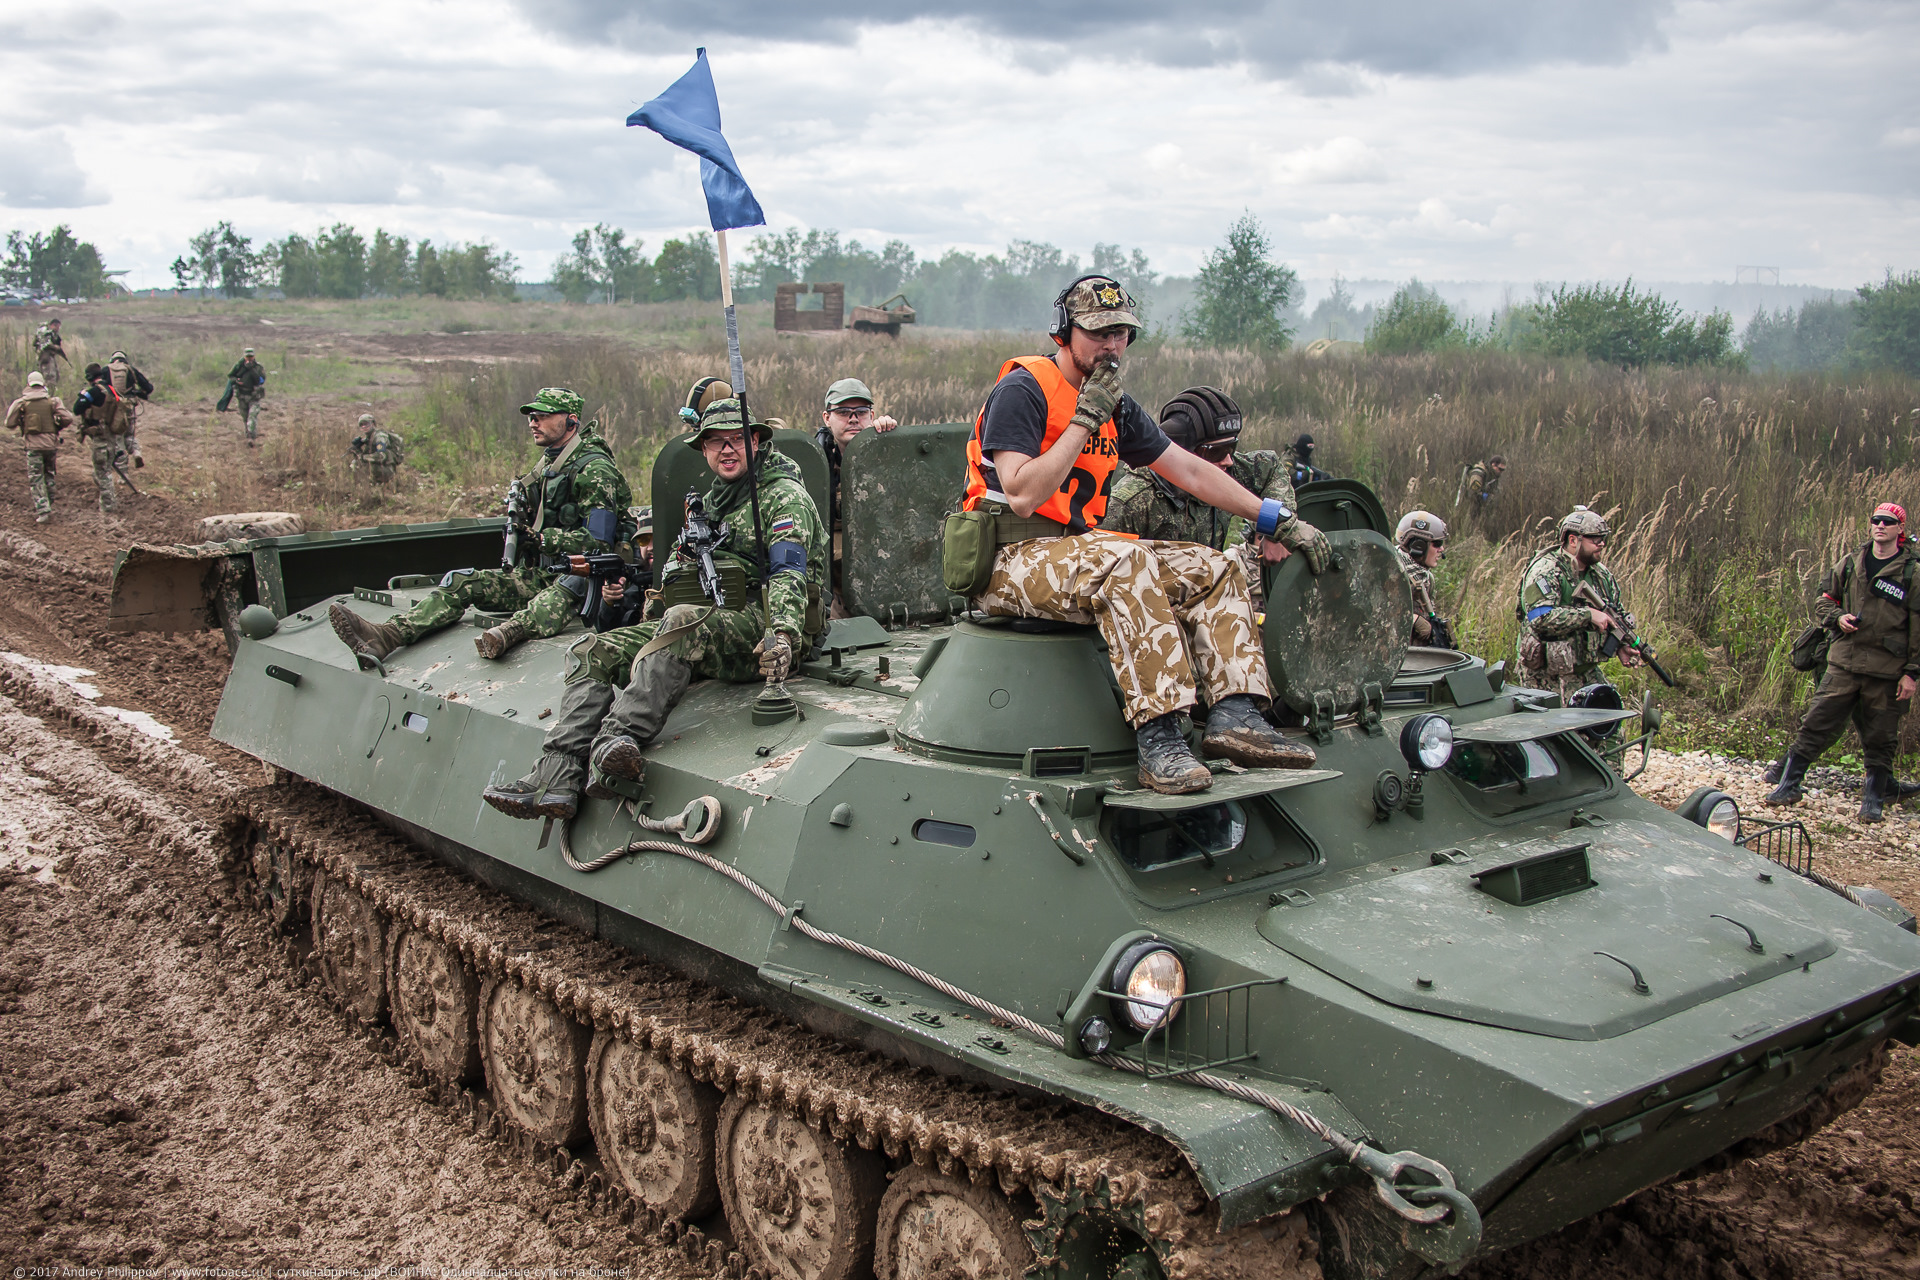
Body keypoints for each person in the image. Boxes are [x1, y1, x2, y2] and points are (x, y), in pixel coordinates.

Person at [960, 275, 1331, 795]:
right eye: (1098, 332)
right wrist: (1084, 421)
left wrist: (1275, 518)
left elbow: (1191, 472)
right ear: (1064, 332)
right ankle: (1160, 739)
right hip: (1008, 558)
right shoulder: (1024, 390)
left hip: (1074, 552)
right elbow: (1021, 492)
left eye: (1122, 333)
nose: (1112, 345)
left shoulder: (1116, 403)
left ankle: (1237, 715)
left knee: (1212, 567)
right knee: (1124, 560)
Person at [482, 399, 828, 820]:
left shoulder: (781, 498)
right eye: (716, 443)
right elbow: (675, 570)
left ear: (756, 441)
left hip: (765, 626)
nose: (727, 450)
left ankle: (615, 742)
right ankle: (557, 774)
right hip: (706, 620)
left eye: (737, 439)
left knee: (681, 622)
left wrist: (787, 636)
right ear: (703, 451)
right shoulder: (713, 503)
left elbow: (788, 573)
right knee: (591, 650)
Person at [329, 387, 634, 662]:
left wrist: (542, 540)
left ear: (570, 421)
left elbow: (598, 544)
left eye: (543, 416)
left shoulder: (594, 470)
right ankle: (387, 636)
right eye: (531, 416)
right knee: (461, 582)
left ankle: (511, 631)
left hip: (581, 579)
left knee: (562, 590)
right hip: (542, 572)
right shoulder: (550, 464)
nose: (533, 422)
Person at [1764, 503, 1920, 823]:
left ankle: (1874, 799)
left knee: (1880, 736)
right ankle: (1788, 785)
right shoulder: (1851, 562)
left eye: (1888, 522)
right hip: (1844, 662)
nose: (1880, 526)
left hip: (1886, 670)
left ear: (1899, 529)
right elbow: (1823, 600)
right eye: (1876, 520)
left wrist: (1911, 674)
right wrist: (1838, 617)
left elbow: (1918, 627)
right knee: (1816, 723)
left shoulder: (1911, 572)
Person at [1098, 387, 1294, 551]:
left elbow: (1271, 467)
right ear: (1182, 451)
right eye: (1216, 451)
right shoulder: (1130, 503)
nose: (1228, 460)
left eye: (1231, 448)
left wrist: (1273, 533)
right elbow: (1094, 564)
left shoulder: (1228, 471)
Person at [1514, 505, 1642, 702]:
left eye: (1604, 539)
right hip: (1546, 677)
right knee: (1559, 732)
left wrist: (1619, 646)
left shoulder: (1601, 574)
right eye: (1595, 539)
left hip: (1585, 672)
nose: (1602, 544)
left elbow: (1614, 612)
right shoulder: (1545, 571)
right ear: (1573, 540)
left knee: (1608, 728)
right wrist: (1588, 615)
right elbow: (1539, 618)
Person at [814, 376, 899, 611]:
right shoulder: (814, 465)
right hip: (833, 586)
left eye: (861, 411)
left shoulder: (888, 455)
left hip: (880, 577)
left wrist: (888, 440)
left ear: (871, 416)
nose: (853, 419)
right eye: (842, 412)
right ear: (827, 418)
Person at [5, 371, 75, 525]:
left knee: (36, 478)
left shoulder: (21, 403)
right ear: (43, 384)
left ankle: (43, 510)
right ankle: (48, 502)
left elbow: (9, 423)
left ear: (29, 384)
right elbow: (68, 418)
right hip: (50, 444)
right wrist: (58, 426)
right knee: (49, 474)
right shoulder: (53, 402)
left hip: (33, 446)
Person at [71, 363, 133, 515]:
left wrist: (83, 395)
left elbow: (77, 409)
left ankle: (109, 508)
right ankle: (108, 504)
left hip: (100, 438)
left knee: (103, 474)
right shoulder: (112, 390)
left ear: (89, 377)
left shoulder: (94, 392)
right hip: (111, 437)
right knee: (103, 471)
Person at [1395, 511, 1454, 648]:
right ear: (1418, 546)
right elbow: (1374, 615)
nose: (1441, 549)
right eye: (1437, 544)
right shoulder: (1392, 572)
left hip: (1416, 655)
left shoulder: (1425, 578)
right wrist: (1412, 620)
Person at [105, 351, 152, 466]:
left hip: (113, 409)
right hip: (129, 406)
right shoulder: (131, 370)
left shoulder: (105, 370)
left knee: (117, 437)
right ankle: (136, 452)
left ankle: (123, 472)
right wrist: (136, 392)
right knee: (130, 435)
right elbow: (149, 388)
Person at [224, 348, 268, 445]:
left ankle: (251, 436)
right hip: (242, 395)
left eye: (251, 357)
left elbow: (261, 380)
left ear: (254, 357)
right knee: (245, 417)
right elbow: (231, 376)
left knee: (252, 416)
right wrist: (237, 381)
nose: (249, 359)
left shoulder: (258, 367)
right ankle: (248, 433)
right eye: (247, 357)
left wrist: (252, 371)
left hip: (254, 396)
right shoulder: (238, 367)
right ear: (244, 357)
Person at [348, 413, 406, 483]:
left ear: (373, 424)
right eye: (361, 425)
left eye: (366, 424)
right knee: (355, 463)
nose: (364, 426)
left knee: (361, 464)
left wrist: (363, 457)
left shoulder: (380, 437)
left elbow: (381, 456)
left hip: (385, 469)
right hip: (378, 468)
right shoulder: (369, 437)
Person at [33, 319, 70, 390]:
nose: (58, 329)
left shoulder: (50, 333)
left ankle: (50, 390)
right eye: (57, 327)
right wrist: (56, 347)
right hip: (45, 357)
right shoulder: (45, 331)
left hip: (49, 357)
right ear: (53, 325)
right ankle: (49, 392)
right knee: (49, 377)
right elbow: (45, 345)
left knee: (55, 376)